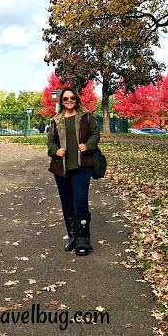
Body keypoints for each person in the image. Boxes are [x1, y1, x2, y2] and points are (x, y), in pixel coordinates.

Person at [47, 87, 100, 256]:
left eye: (72, 98)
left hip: (81, 166)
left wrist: (88, 145)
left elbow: (95, 134)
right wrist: (56, 150)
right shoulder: (56, 120)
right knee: (67, 203)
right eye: (65, 99)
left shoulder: (85, 116)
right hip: (61, 169)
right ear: (61, 102)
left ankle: (83, 239)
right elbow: (50, 141)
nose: (69, 100)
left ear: (76, 99)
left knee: (80, 201)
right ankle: (73, 237)